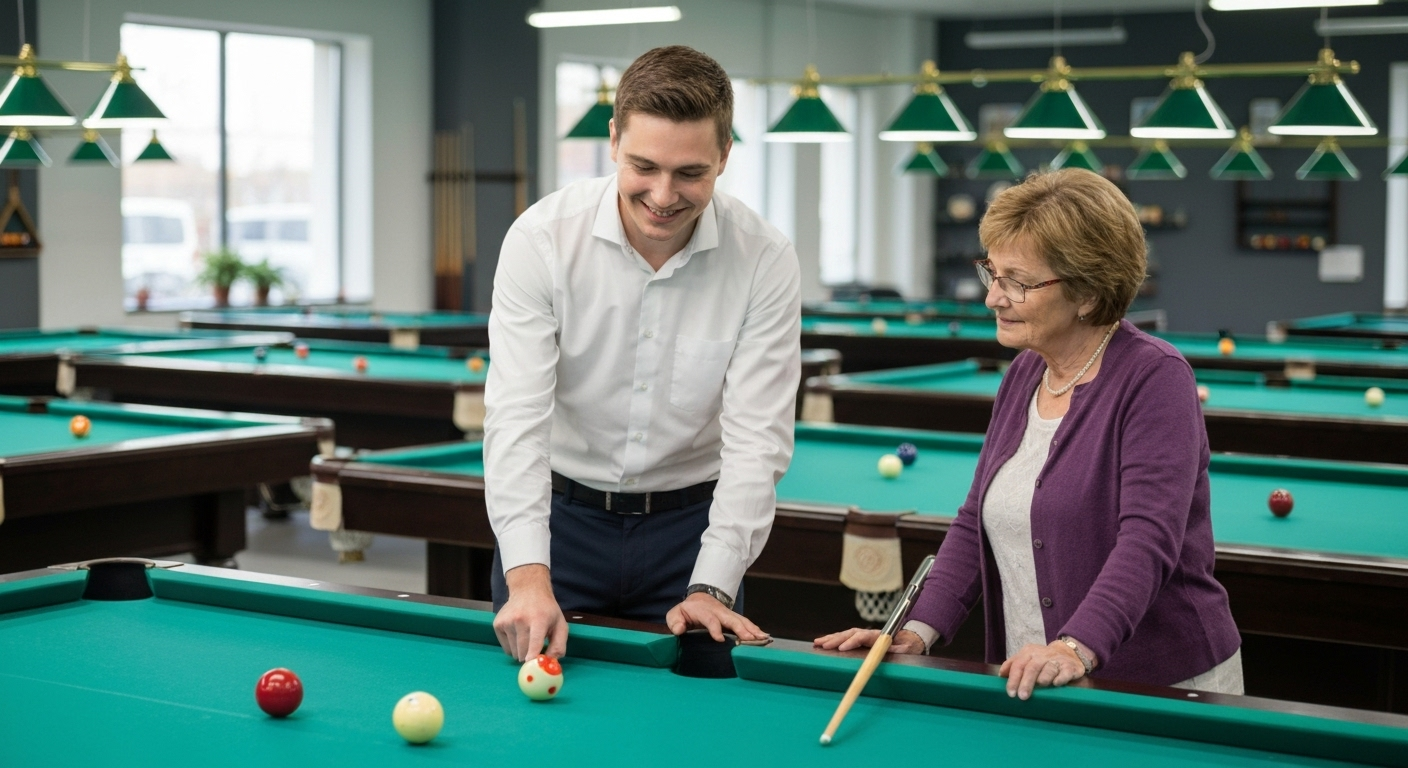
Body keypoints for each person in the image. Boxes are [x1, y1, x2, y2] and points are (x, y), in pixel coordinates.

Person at [816, 169, 1242, 699]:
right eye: (992, 273)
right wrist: (914, 632)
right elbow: (975, 521)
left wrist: (1074, 647)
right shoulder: (1024, 372)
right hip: (1033, 677)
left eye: (1017, 281)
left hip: (1159, 686)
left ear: (1086, 292)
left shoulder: (1155, 377)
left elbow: (1147, 541)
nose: (993, 296)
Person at [484, 45, 801, 662]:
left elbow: (756, 437)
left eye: (690, 173)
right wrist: (527, 576)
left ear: (726, 155)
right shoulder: (541, 240)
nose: (663, 194)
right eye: (644, 166)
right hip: (559, 525)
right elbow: (516, 419)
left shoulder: (764, 258)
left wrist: (713, 582)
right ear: (613, 142)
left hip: (694, 534)